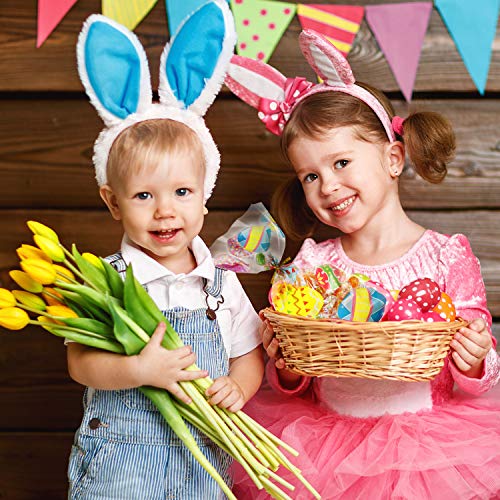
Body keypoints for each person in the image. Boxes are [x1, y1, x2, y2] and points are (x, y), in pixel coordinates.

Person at [225, 29, 500, 499]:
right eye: (310, 175)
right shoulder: (311, 266)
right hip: (326, 446)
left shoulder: (444, 257)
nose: (327, 186)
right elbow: (294, 383)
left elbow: (477, 381)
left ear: (393, 158)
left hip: (428, 448)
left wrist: (476, 362)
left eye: (341, 163)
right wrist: (287, 368)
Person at [67, 5, 264, 499]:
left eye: (181, 193)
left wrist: (239, 386)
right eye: (143, 196)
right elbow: (81, 361)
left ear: (205, 193)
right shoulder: (105, 280)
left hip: (204, 465)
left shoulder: (221, 283)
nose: (164, 212)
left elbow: (248, 352)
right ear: (113, 202)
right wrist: (138, 371)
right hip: (121, 470)